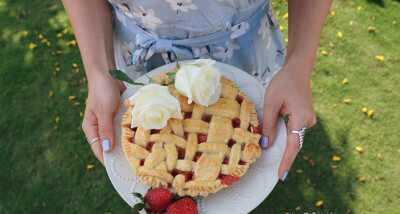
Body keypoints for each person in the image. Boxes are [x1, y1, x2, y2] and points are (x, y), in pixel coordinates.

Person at [62, 0, 332, 181]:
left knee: (242, 169)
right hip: (140, 58)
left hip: (245, 53)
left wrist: (299, 63)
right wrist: (99, 72)